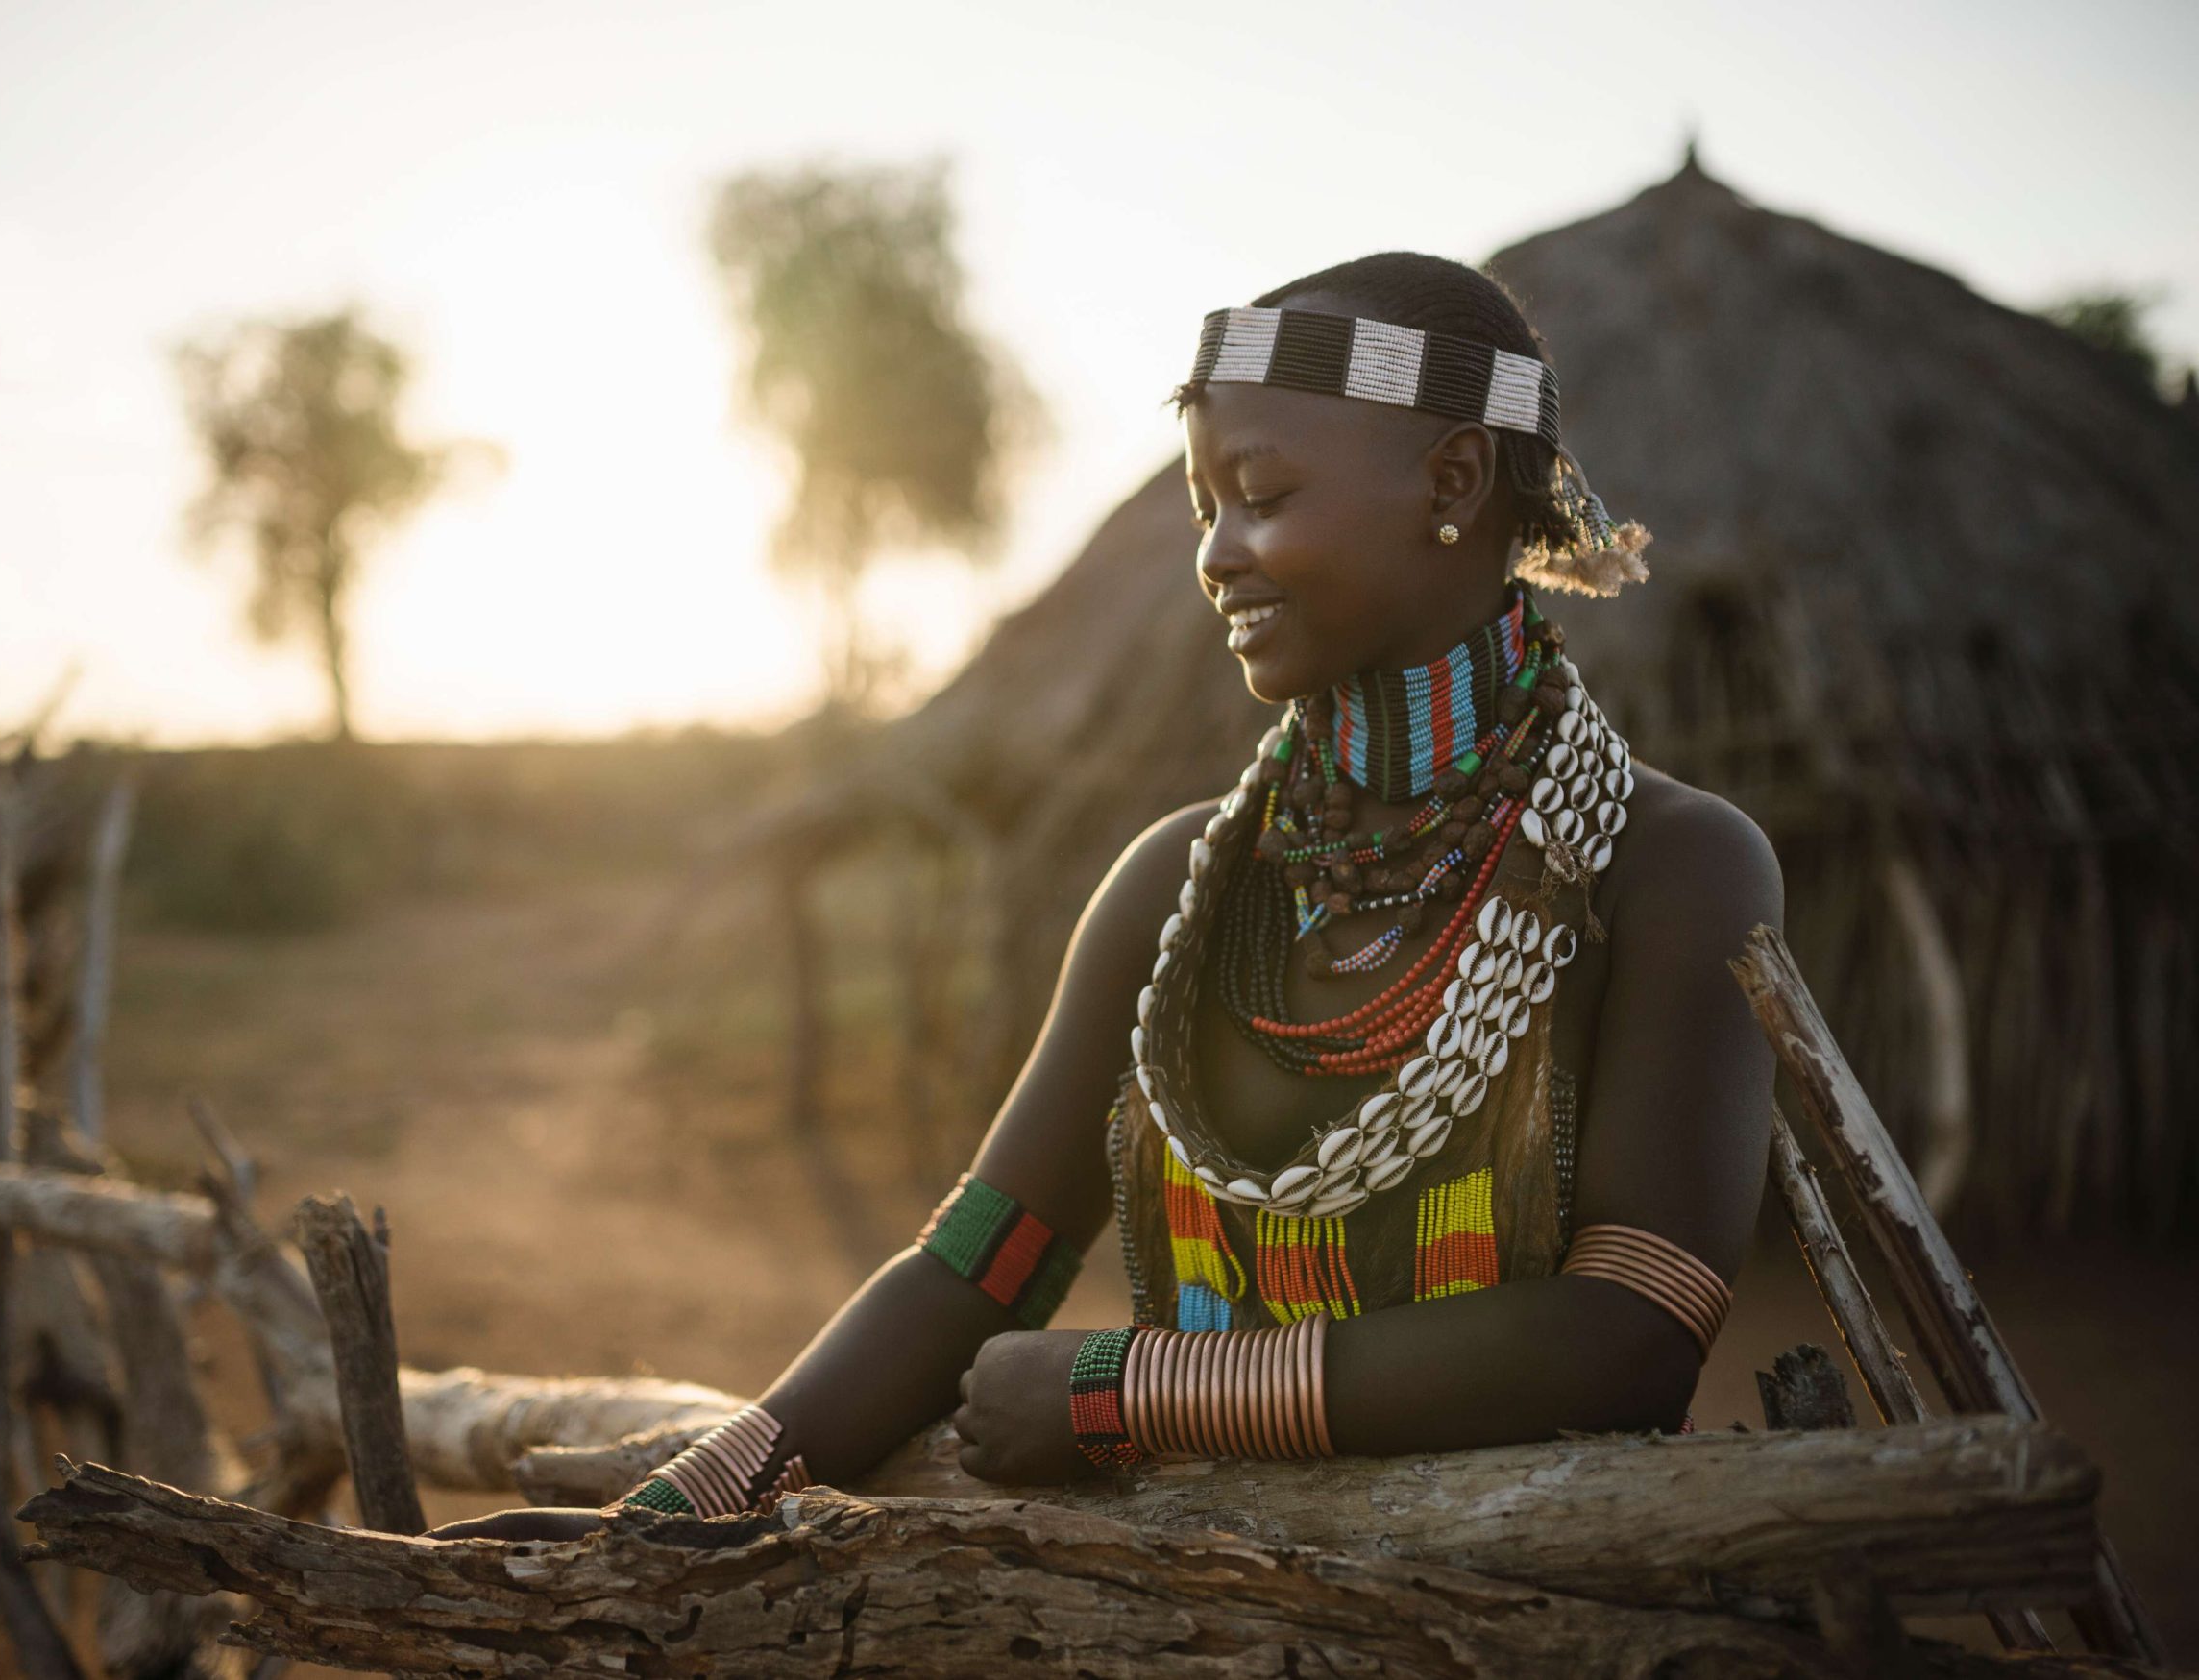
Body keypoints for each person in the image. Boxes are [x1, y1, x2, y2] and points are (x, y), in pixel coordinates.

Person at [432, 251, 1782, 1541]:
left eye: (1261, 493)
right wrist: (672, 1514)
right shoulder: (1179, 896)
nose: (1217, 556)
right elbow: (976, 1264)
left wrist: (1124, 1388)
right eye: (1205, 509)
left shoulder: (1668, 869)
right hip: (1195, 1616)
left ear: (1452, 476)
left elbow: (1632, 1335)